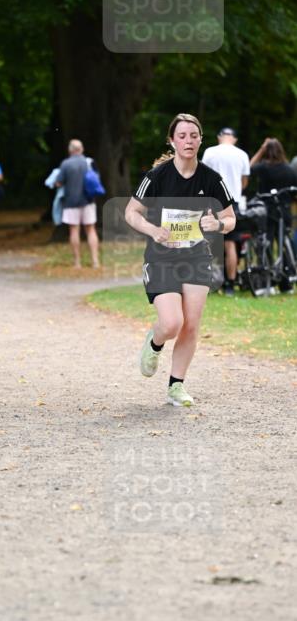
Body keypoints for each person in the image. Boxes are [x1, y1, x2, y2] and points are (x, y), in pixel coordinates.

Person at [125, 113, 235, 408]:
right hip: (161, 257)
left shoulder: (211, 179)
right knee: (172, 322)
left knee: (191, 325)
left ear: (201, 140)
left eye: (194, 135)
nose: (189, 141)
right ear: (172, 141)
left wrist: (218, 226)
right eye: (182, 136)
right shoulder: (157, 177)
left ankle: (176, 386)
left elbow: (230, 219)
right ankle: (155, 341)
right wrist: (152, 230)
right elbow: (131, 213)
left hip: (197, 257)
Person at [201, 127, 250, 295]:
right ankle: (230, 283)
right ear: (234, 139)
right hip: (232, 202)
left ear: (219, 137)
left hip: (212, 201)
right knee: (230, 243)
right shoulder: (242, 154)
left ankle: (209, 281)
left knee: (207, 242)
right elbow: (244, 183)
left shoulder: (210, 152)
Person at [55, 139, 100, 268]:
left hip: (71, 202)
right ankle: (95, 261)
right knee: (91, 230)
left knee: (74, 230)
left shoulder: (66, 164)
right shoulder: (89, 162)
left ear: (70, 150)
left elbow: (58, 182)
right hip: (88, 201)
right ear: (81, 149)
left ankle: (77, 262)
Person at [249, 138, 297, 247]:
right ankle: (288, 262)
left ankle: (267, 262)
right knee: (285, 241)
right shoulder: (289, 169)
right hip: (284, 210)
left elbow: (248, 168)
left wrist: (261, 150)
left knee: (267, 242)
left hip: (267, 210)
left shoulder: (263, 168)